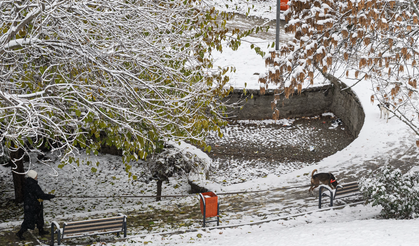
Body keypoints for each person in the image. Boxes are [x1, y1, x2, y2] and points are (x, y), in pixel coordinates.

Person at [16, 170, 55, 240]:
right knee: (29, 220)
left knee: (39, 218)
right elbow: (40, 194)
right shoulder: (33, 184)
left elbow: (35, 194)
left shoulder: (27, 183)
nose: (37, 177)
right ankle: (20, 233)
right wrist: (49, 196)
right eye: (36, 175)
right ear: (33, 176)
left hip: (31, 204)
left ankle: (41, 230)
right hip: (32, 206)